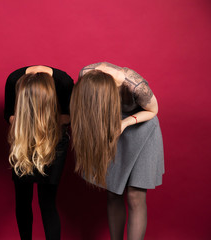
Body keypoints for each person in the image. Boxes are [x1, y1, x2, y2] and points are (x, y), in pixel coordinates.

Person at [70, 62, 164, 240]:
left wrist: (125, 123)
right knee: (113, 192)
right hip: (110, 128)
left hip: (140, 127)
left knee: (135, 196)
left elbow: (153, 110)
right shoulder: (86, 74)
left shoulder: (136, 85)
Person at [4, 66, 74, 240]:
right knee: (22, 200)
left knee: (47, 202)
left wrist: (44, 118)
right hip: (24, 136)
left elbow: (70, 116)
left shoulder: (64, 83)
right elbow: (9, 115)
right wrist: (25, 120)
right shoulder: (14, 80)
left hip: (53, 139)